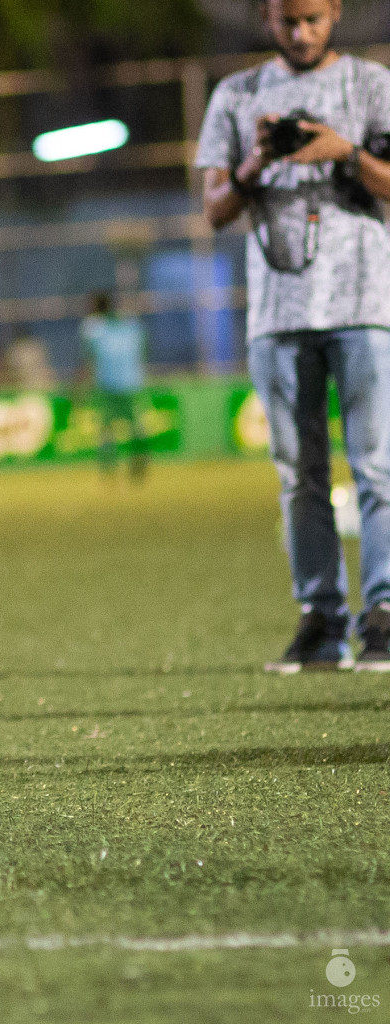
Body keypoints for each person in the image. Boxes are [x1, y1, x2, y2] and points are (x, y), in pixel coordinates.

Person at [195, 0, 390, 673]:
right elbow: (215, 210)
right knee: (298, 475)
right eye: (286, 21)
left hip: (364, 304)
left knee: (375, 465)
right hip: (277, 313)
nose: (300, 32)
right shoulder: (238, 93)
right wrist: (254, 162)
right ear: (267, 19)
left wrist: (345, 151)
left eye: (311, 18)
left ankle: (385, 614)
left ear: (334, 11)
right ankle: (320, 621)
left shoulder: (371, 85)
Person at [79, 293, 149, 481]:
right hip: (132, 382)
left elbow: (89, 358)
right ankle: (139, 464)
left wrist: (80, 384)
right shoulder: (131, 324)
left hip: (108, 385)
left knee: (106, 428)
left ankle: (108, 470)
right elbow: (142, 349)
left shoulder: (93, 328)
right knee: (136, 425)